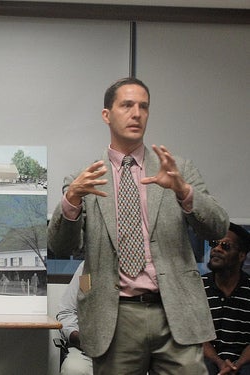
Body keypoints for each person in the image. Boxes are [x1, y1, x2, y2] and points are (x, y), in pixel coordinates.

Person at [47, 77, 229, 374]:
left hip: (176, 314)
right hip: (115, 317)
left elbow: (218, 228)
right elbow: (62, 246)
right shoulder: (85, 177)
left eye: (143, 106)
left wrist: (184, 192)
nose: (137, 113)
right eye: (127, 105)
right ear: (107, 115)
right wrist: (72, 199)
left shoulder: (177, 169)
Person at [202, 222, 250, 375]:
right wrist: (220, 363)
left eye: (226, 246)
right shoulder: (197, 287)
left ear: (241, 255)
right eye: (214, 244)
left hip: (245, 362)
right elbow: (195, 336)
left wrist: (237, 365)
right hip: (207, 359)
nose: (216, 249)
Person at [56, 261, 93, 375]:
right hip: (87, 351)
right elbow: (67, 312)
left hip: (128, 352)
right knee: (73, 369)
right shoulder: (88, 270)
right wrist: (77, 337)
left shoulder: (142, 270)